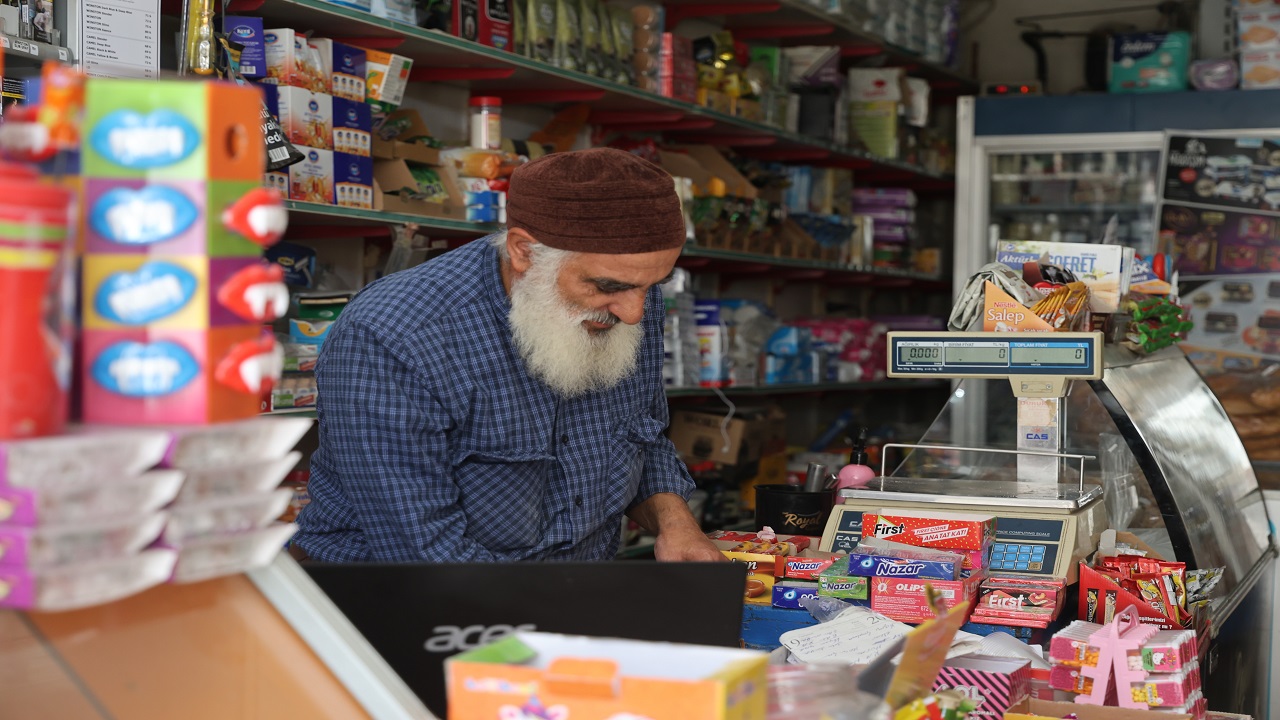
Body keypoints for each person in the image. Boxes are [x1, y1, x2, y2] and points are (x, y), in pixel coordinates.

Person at [292, 148, 723, 564]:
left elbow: (640, 438)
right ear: (523, 252)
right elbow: (424, 552)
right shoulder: (393, 335)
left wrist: (676, 523)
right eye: (608, 287)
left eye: (653, 285)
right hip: (409, 606)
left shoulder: (627, 299)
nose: (634, 313)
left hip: (571, 596)